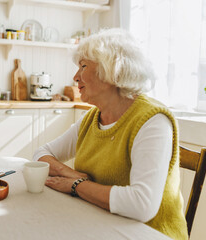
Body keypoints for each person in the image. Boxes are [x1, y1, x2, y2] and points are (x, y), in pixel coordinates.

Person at [33, 28, 188, 239]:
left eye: (83, 66)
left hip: (148, 234)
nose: (75, 77)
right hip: (100, 225)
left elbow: (142, 205)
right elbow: (41, 154)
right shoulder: (92, 118)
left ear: (113, 70)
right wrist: (71, 174)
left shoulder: (153, 120)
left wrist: (77, 185)